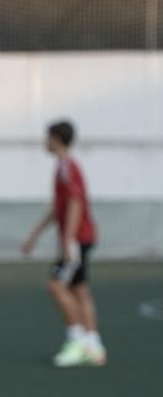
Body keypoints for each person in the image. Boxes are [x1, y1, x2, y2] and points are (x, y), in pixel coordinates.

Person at [20, 119, 107, 367]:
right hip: (82, 237)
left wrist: (68, 241)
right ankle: (93, 345)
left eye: (47, 138)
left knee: (56, 285)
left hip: (77, 239)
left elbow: (76, 203)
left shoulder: (67, 166)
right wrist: (34, 236)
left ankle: (77, 340)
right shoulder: (63, 166)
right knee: (79, 289)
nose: (44, 143)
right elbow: (58, 209)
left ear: (56, 139)